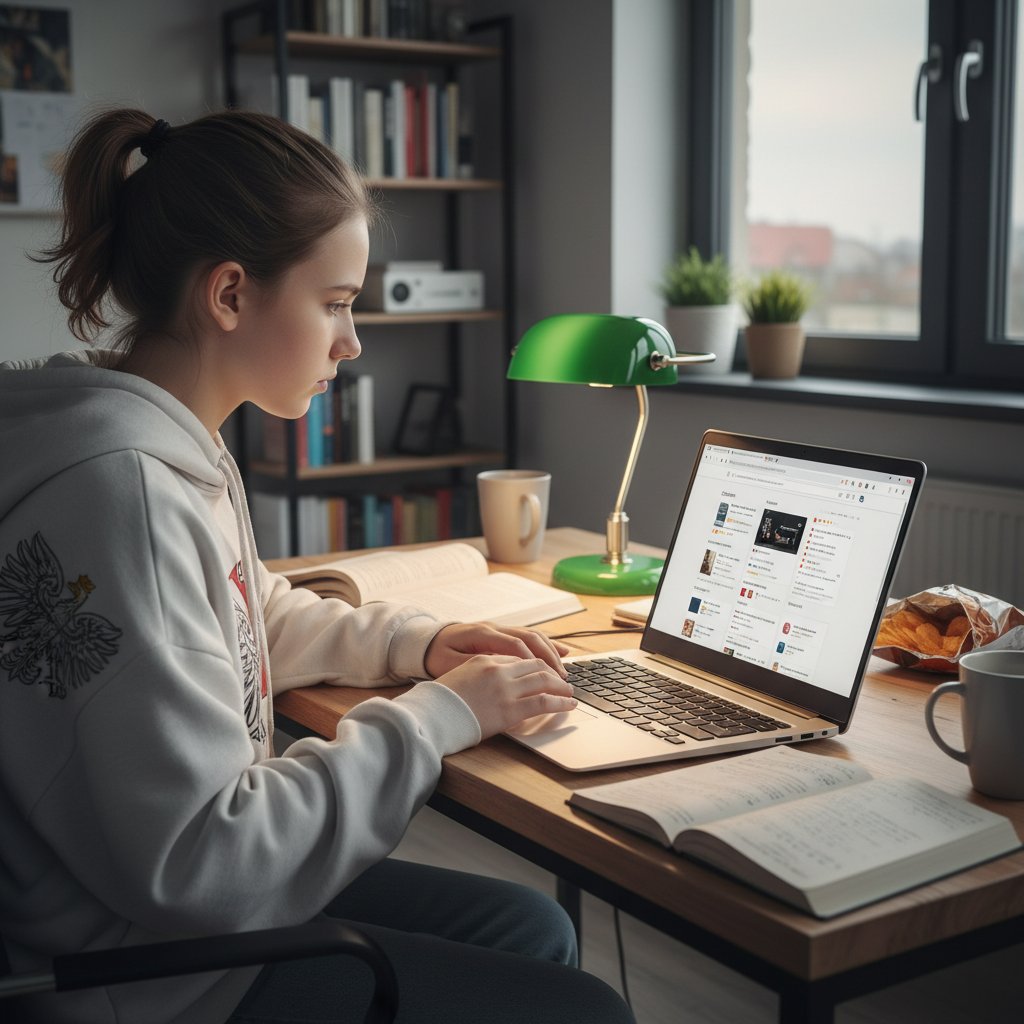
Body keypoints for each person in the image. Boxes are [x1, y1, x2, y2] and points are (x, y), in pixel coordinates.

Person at [0, 109, 635, 1024]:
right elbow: (206, 861)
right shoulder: (127, 491)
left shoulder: (159, 446)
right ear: (229, 294)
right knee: (589, 1012)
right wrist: (441, 717)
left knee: (529, 926)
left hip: (155, 923)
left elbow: (240, 612)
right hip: (156, 980)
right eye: (335, 302)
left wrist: (422, 646)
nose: (353, 340)